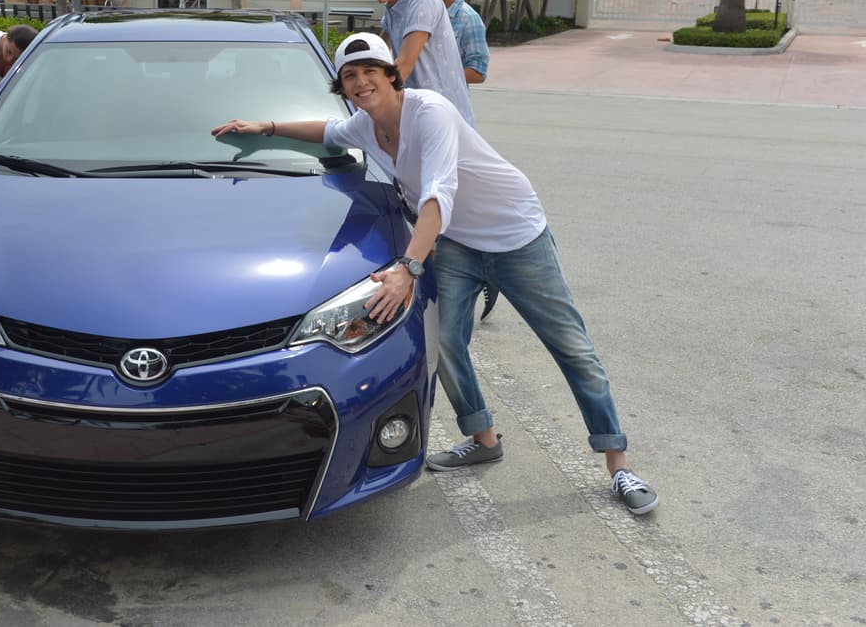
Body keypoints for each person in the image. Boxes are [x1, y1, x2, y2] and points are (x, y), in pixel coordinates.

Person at [209, 32, 658, 516]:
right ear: (343, 87)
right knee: (445, 342)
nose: (362, 83)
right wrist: (266, 126)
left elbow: (438, 194)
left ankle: (619, 464)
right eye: (351, 76)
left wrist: (408, 267)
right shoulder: (365, 127)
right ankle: (483, 438)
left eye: (371, 72)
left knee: (571, 347)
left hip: (515, 236)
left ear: (391, 75)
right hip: (459, 242)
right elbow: (326, 133)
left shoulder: (430, 112)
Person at [415, 0, 498, 319]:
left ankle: (485, 273)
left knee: (456, 207)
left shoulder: (467, 19)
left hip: (454, 124)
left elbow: (478, 71)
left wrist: (437, 73)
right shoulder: (417, 10)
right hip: (420, 120)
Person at [359, 0, 475, 127]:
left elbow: (404, 64)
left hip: (444, 120)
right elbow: (376, 52)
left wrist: (368, 100)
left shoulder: (422, 0)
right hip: (417, 116)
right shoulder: (393, 7)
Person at [415, 0, 489, 85]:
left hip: (449, 102)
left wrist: (436, 77)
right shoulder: (419, 13)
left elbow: (478, 72)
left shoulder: (468, 18)